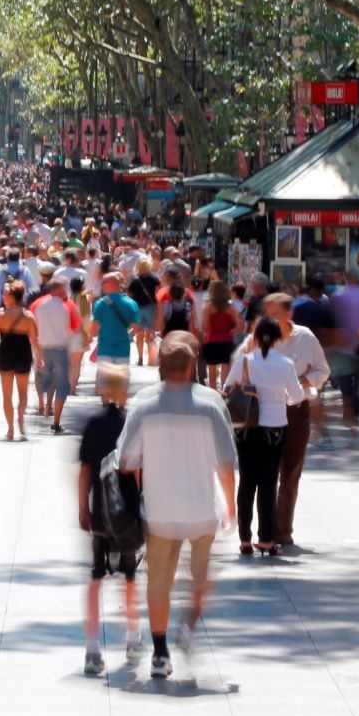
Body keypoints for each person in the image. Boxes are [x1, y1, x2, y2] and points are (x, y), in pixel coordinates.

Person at [118, 331, 236, 680]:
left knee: (158, 581)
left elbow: (125, 461)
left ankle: (159, 652)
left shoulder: (143, 405)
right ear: (191, 367)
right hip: (202, 509)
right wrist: (232, 505)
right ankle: (188, 624)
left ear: (161, 366)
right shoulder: (211, 404)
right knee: (201, 577)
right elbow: (227, 463)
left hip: (160, 511)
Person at [77, 364, 140, 676]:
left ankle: (91, 647)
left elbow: (86, 470)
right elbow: (140, 470)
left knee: (96, 577)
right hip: (126, 512)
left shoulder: (93, 424)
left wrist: (82, 508)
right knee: (130, 577)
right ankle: (131, 637)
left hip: (100, 512)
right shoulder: (132, 422)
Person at [230, 316, 306, 555]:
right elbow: (295, 397)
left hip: (246, 428)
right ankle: (266, 539)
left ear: (254, 337)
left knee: (246, 481)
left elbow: (228, 387)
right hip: (274, 427)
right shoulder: (286, 364)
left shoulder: (244, 361)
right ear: (278, 339)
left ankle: (244, 539)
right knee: (268, 482)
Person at [32, 277, 77, 433]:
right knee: (62, 386)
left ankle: (43, 402)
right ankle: (56, 421)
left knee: (46, 379)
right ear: (57, 289)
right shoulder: (64, 307)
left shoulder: (40, 306)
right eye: (63, 288)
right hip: (59, 348)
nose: (66, 291)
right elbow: (68, 330)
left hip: (43, 347)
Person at [0, 282, 37, 440]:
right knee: (23, 392)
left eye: (5, 294)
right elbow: (34, 340)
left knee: (6, 394)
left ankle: (10, 428)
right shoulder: (29, 316)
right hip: (23, 353)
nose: (3, 296)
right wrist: (40, 357)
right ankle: (20, 416)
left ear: (12, 296)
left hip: (5, 353)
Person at [197, 280, 244, 390]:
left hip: (211, 341)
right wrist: (231, 332)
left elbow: (204, 326)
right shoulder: (230, 307)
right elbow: (240, 325)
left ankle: (213, 393)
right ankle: (224, 394)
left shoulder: (208, 306)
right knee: (225, 371)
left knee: (212, 372)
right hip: (227, 341)